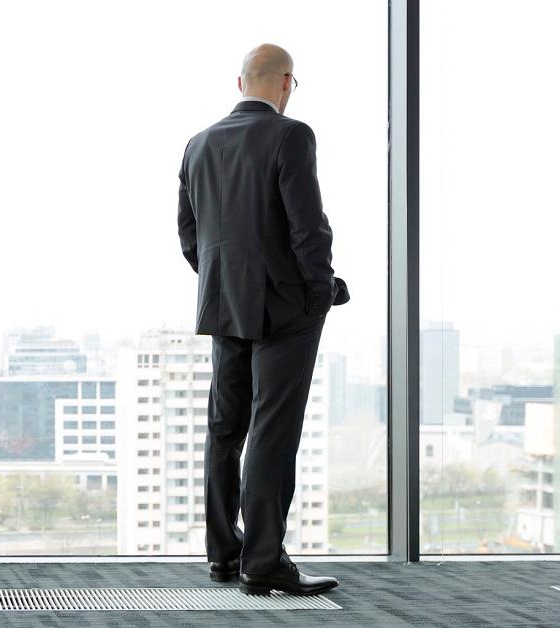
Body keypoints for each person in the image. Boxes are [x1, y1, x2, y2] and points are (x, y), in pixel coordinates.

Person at [176, 43, 349, 596]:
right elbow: (308, 226)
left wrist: (223, 281)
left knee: (225, 431)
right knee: (273, 432)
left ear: (239, 81)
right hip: (284, 310)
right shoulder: (290, 134)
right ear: (286, 84)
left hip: (224, 303)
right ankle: (264, 561)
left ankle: (224, 555)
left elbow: (189, 234)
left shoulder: (197, 144)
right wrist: (320, 292)